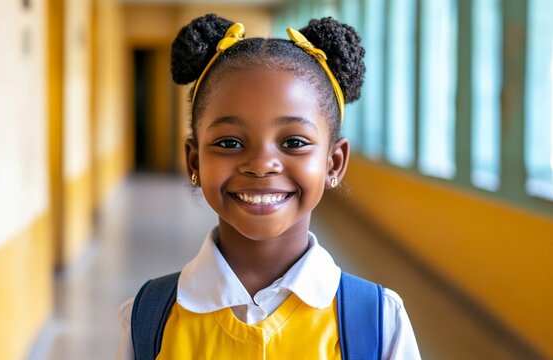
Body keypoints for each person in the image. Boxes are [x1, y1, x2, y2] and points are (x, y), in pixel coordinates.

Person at [117, 13, 421, 359]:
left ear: (333, 163)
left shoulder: (378, 322)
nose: (261, 165)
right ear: (194, 161)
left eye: (293, 142)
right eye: (229, 143)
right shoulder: (149, 320)